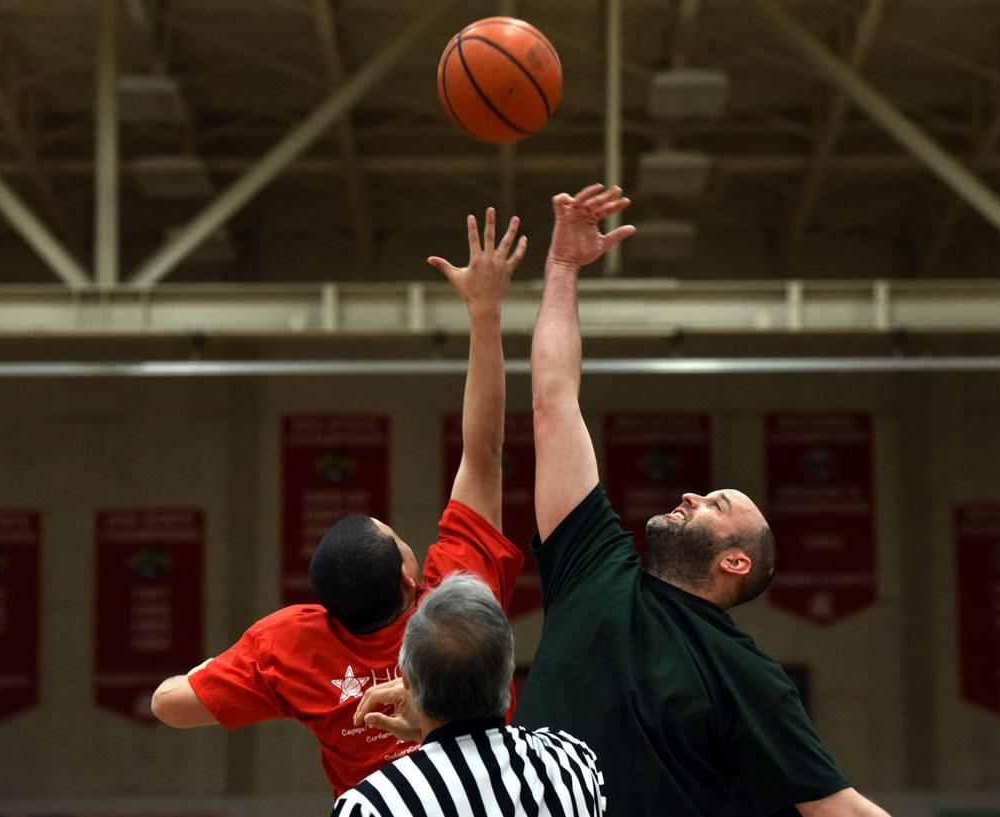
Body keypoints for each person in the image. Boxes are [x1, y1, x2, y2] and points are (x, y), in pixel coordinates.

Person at [514, 183, 890, 817]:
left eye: (717, 504)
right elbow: (554, 400)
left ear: (735, 562)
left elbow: (840, 810)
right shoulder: (592, 566)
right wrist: (561, 269)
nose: (691, 493)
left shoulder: (747, 679)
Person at [150, 209, 529, 797]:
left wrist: (250, 669)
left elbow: (168, 705)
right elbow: (483, 450)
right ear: (409, 576)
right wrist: (485, 310)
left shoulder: (292, 649)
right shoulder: (461, 597)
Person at [333, 574, 606, 817]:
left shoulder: (369, 806)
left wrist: (429, 738)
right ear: (507, 670)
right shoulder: (572, 764)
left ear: (406, 681)